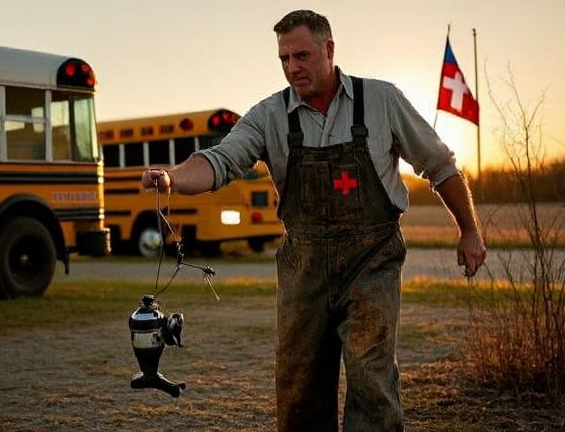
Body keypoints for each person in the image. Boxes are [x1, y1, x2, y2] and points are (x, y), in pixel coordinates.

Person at [142, 9, 487, 432]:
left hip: (372, 262)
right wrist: (172, 178)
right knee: (299, 386)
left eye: (301, 56)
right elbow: (220, 161)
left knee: (370, 378)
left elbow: (440, 165)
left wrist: (469, 230)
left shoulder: (381, 100)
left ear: (329, 49)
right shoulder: (269, 115)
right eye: (284, 59)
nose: (292, 68)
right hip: (303, 267)